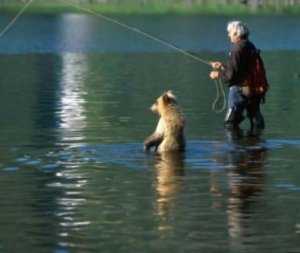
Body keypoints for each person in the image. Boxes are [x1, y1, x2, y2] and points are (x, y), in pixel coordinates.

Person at [209, 21, 267, 132]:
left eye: (229, 32)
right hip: (254, 89)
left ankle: (235, 148)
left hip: (240, 89)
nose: (228, 35)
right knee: (255, 119)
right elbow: (241, 68)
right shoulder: (249, 45)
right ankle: (256, 144)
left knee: (230, 124)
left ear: (236, 33)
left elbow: (232, 76)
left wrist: (218, 74)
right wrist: (222, 66)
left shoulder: (236, 49)